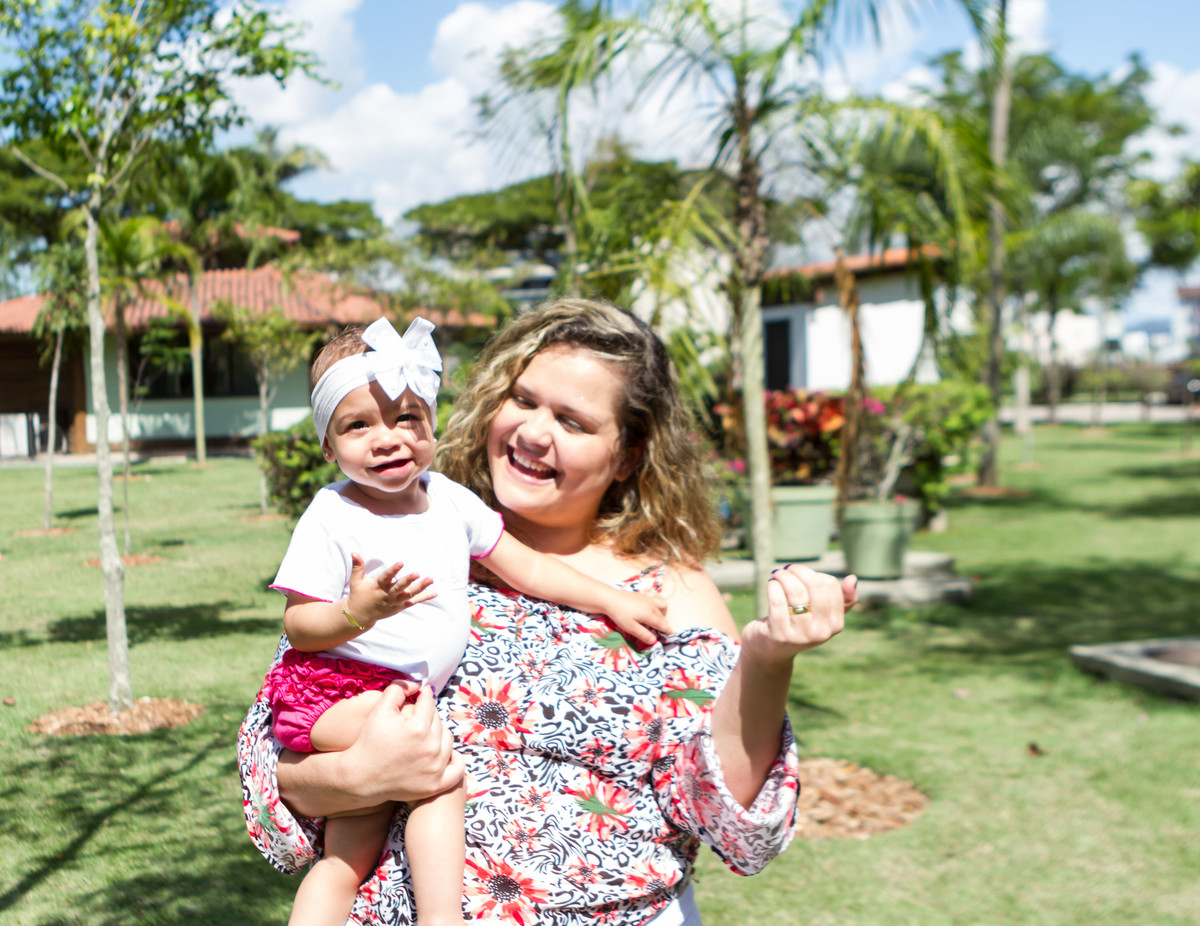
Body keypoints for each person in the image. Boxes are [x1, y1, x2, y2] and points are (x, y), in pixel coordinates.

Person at [238, 298, 856, 926]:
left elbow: (728, 819)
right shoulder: (406, 532)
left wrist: (768, 660)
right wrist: (361, 776)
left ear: (630, 453)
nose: (535, 433)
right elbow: (275, 772)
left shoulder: (670, 595)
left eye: (574, 422)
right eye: (525, 401)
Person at [261, 315, 669, 926]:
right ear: (328, 445)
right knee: (439, 772)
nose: (387, 438)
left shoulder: (448, 499)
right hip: (339, 689)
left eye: (406, 418)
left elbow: (524, 566)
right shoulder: (332, 514)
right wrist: (356, 613)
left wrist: (607, 599)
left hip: (393, 693)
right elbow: (299, 627)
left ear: (431, 422)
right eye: (358, 425)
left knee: (347, 856)